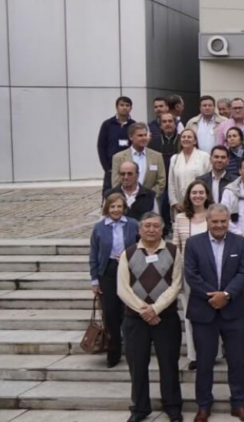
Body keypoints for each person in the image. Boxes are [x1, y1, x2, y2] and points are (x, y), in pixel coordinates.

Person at [183, 204, 244, 422]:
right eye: (214, 221)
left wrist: (226, 294)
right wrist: (212, 295)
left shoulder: (240, 242)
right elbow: (191, 274)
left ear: (227, 221)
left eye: (223, 221)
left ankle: (238, 404)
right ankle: (204, 405)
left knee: (236, 361)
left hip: (233, 311)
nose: (219, 225)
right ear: (207, 220)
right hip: (203, 312)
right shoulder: (193, 243)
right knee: (204, 362)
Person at [117, 212, 184, 422]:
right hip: (135, 320)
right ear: (139, 230)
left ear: (162, 229)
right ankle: (139, 408)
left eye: (156, 226)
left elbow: (176, 284)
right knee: (137, 365)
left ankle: (172, 406)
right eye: (147, 226)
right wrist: (144, 310)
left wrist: (156, 309)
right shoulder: (128, 254)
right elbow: (122, 289)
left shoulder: (174, 252)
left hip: (166, 318)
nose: (151, 229)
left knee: (169, 364)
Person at [88, 193, 139, 368]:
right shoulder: (99, 228)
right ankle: (113, 351)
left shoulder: (133, 225)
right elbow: (94, 254)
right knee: (110, 314)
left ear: (124, 208)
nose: (116, 210)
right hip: (107, 271)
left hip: (129, 270)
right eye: (112, 207)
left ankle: (133, 349)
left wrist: (129, 257)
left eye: (119, 206)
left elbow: (141, 247)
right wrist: (95, 280)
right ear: (107, 208)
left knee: (128, 310)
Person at [172, 180, 212, 371]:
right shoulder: (180, 218)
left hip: (212, 272)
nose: (197, 196)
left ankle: (214, 351)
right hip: (188, 272)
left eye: (201, 192)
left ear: (207, 195)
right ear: (188, 195)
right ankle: (194, 354)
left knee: (213, 313)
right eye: (194, 193)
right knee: (190, 314)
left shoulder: (213, 215)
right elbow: (175, 247)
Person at [112, 122, 166, 198]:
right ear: (131, 137)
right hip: (126, 201)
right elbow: (116, 182)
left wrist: (149, 196)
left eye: (145, 135)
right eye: (140, 135)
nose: (144, 138)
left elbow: (161, 181)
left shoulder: (157, 156)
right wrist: (126, 197)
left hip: (150, 201)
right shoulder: (119, 157)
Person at [168, 129, 210, 218]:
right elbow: (171, 182)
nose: (186, 139)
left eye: (189, 137)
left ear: (195, 141)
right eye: (183, 137)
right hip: (180, 204)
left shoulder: (204, 157)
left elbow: (209, 181)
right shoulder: (175, 159)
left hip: (200, 202)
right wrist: (174, 202)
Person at [98, 96, 137, 192]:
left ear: (131, 108)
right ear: (117, 107)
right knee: (109, 195)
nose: (124, 107)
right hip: (112, 168)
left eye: (127, 105)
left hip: (129, 168)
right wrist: (107, 168)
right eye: (122, 105)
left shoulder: (134, 125)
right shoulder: (107, 124)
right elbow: (101, 146)